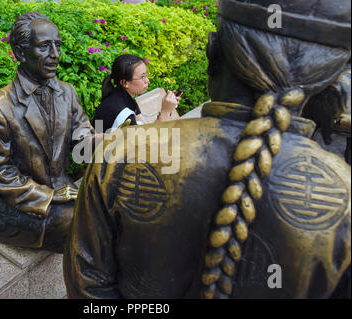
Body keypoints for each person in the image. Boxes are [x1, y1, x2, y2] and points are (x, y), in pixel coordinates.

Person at [63, 0, 351, 298]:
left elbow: (88, 288)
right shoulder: (343, 196)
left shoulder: (121, 153)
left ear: (213, 51)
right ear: (332, 80)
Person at [0, 12, 93, 252]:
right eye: (44, 46)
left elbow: (81, 135)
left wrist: (108, 143)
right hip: (23, 208)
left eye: (57, 45)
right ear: (20, 53)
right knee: (87, 227)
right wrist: (49, 196)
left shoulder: (67, 92)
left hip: (65, 191)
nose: (55, 55)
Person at [93, 54, 180, 133]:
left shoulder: (122, 96)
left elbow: (148, 128)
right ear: (124, 83)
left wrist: (169, 107)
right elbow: (153, 139)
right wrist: (166, 111)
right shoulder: (123, 114)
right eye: (142, 77)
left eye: (146, 75)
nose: (147, 80)